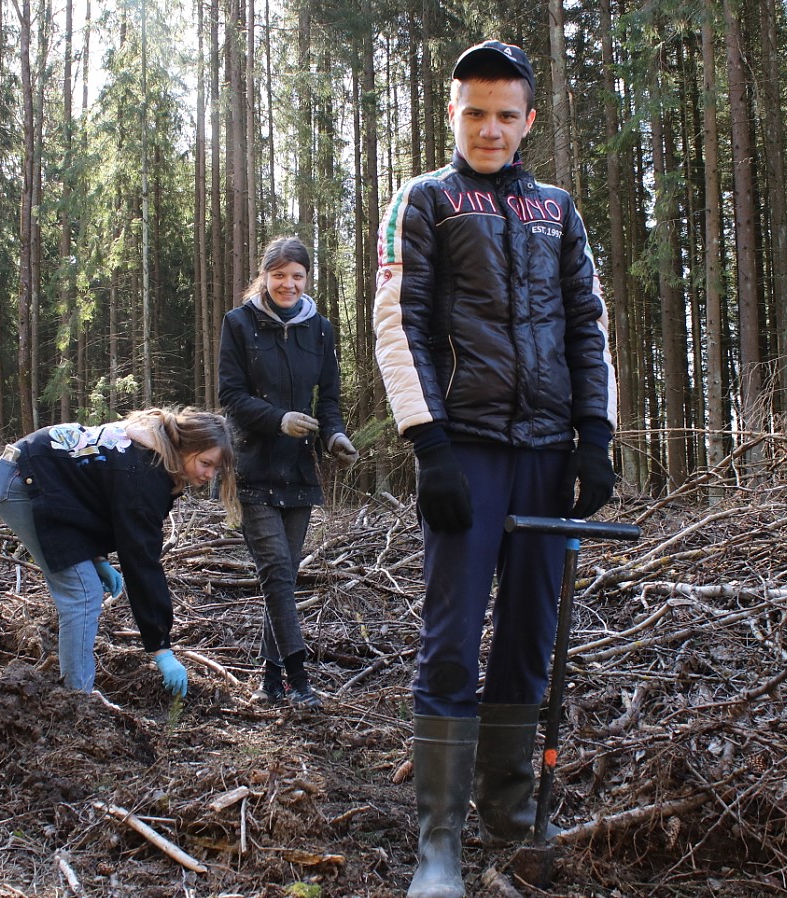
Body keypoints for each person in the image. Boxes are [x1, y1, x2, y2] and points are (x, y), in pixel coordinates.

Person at [372, 41, 617, 898]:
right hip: (465, 451)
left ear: (528, 121)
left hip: (550, 455)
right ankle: (438, 844)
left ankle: (512, 812)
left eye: (505, 114)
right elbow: (396, 324)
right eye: (473, 112)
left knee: (529, 638)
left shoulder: (559, 210)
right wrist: (428, 444)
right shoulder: (425, 200)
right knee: (450, 641)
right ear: (452, 113)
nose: (489, 127)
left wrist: (596, 433)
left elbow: (588, 323)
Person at [0, 407, 239, 697]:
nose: (209, 475)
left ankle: (76, 693)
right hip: (21, 481)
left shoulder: (150, 456)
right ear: (186, 447)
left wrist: (96, 557)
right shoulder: (143, 472)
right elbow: (142, 562)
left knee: (85, 587)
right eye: (206, 463)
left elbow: (90, 494)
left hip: (39, 476)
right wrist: (161, 649)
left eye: (216, 469)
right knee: (82, 593)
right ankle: (77, 700)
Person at [218, 236, 358, 710]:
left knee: (285, 575)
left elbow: (330, 400)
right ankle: (300, 678)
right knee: (276, 570)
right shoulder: (238, 325)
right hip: (252, 467)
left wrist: (334, 437)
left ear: (307, 279)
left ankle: (270, 676)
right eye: (279, 275)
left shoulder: (319, 330)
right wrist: (278, 418)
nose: (288, 284)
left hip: (300, 470)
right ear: (264, 277)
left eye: (296, 275)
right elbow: (231, 397)